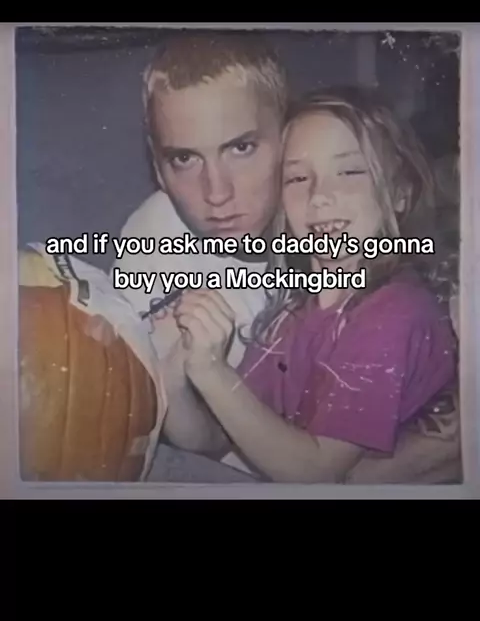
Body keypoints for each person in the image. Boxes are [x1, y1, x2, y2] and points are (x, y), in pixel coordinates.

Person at [113, 32, 460, 483]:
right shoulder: (292, 311)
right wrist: (176, 371)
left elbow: (316, 469)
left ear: (285, 136)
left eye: (241, 148)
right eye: (184, 158)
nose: (217, 194)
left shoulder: (388, 306)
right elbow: (217, 436)